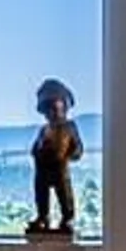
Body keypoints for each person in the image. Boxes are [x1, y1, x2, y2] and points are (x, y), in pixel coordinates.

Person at [27, 78, 84, 240]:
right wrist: (40, 150)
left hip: (60, 168)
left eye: (53, 108)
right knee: (41, 193)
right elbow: (34, 149)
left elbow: (78, 149)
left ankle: (67, 218)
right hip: (42, 168)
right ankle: (42, 216)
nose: (50, 113)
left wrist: (68, 154)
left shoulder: (69, 127)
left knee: (64, 194)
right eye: (47, 110)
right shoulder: (44, 130)